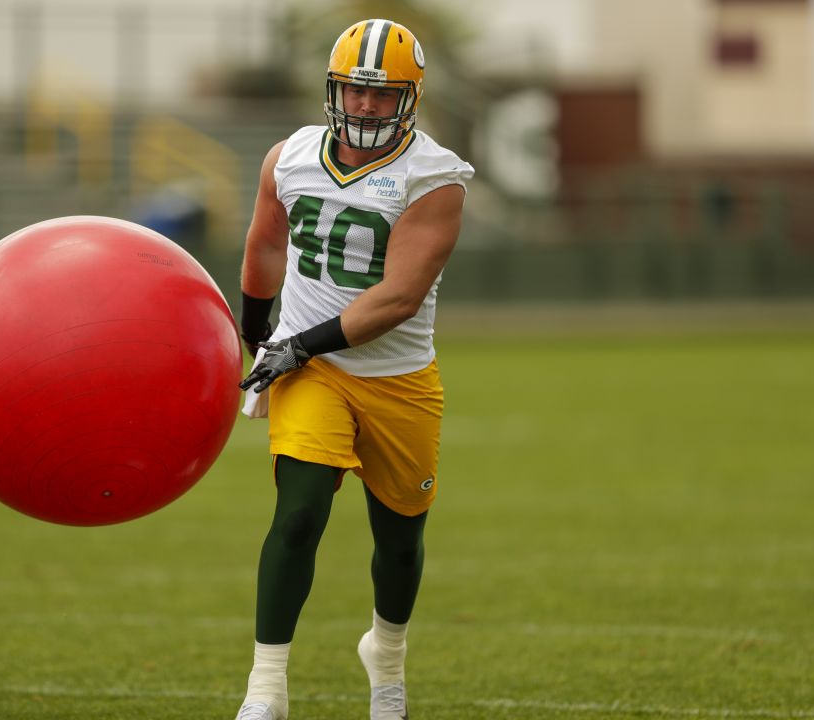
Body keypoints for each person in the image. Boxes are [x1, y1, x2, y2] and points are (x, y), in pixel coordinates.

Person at [233, 18, 475, 720]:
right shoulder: (290, 156)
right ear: (333, 89)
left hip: (398, 378)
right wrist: (255, 336)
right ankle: (266, 689)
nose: (367, 106)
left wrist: (296, 342)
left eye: (384, 94)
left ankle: (387, 657)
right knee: (299, 514)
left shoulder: (436, 177)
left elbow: (398, 297)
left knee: (400, 542)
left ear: (412, 99)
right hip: (315, 375)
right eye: (355, 90)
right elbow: (265, 247)